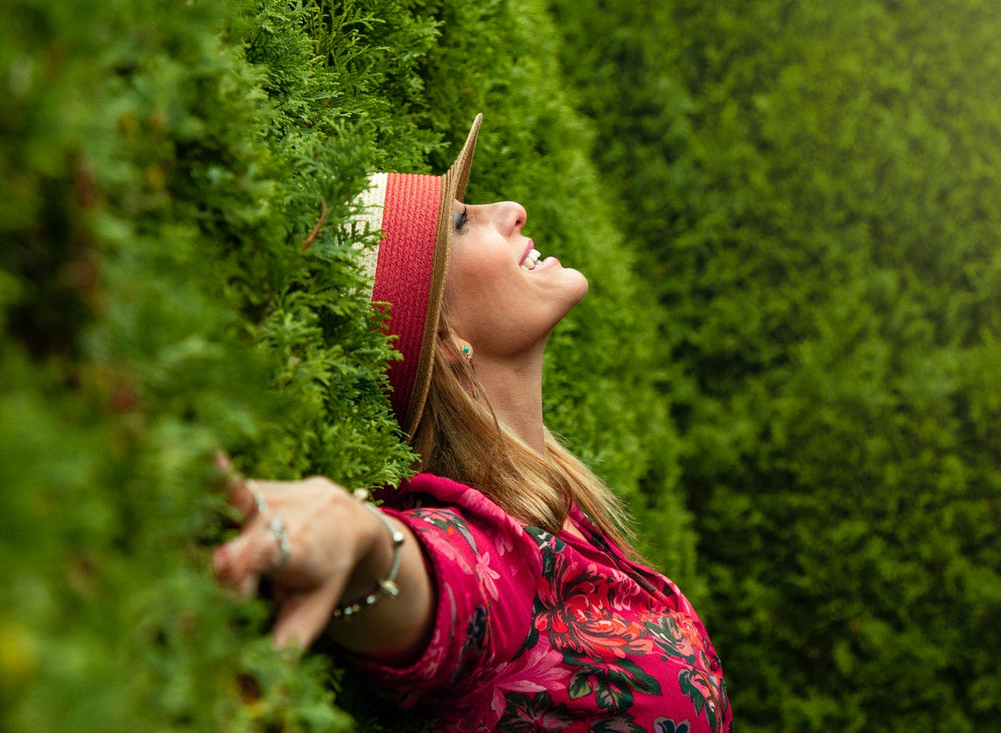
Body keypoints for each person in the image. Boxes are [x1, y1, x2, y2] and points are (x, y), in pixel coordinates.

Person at [211, 114, 733, 731]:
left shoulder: (561, 510)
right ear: (442, 337)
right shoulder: (486, 553)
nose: (512, 209)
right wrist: (359, 540)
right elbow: (437, 579)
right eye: (462, 221)